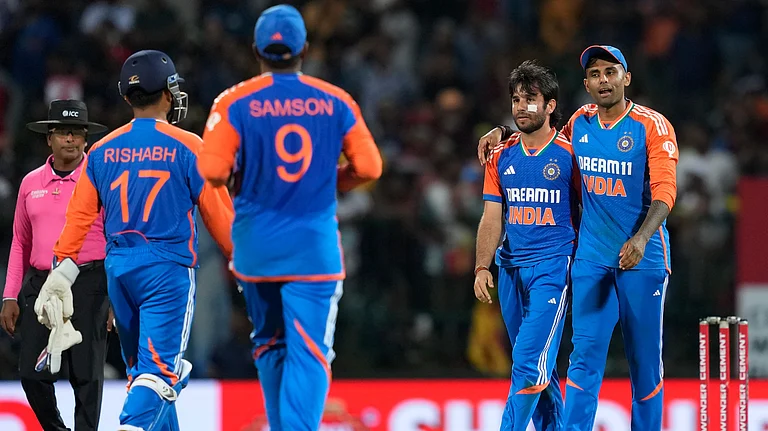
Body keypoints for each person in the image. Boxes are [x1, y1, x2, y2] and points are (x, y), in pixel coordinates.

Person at [197, 5, 382, 431]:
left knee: (269, 345)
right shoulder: (336, 100)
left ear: (256, 50)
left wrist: (247, 178)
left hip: (256, 249)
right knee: (310, 352)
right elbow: (370, 168)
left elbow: (212, 171)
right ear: (305, 49)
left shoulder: (234, 100)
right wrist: (330, 180)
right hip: (313, 251)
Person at [478, 45, 678, 430]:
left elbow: (665, 192)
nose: (603, 80)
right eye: (595, 74)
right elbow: (540, 134)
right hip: (591, 259)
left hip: (644, 259)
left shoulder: (653, 125)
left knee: (645, 367)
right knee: (582, 361)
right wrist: (502, 130)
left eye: (610, 72)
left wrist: (640, 238)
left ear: (626, 78)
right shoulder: (580, 124)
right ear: (586, 84)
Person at [36, 50, 234, 431]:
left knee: (145, 375)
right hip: (166, 268)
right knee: (160, 374)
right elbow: (219, 215)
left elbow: (79, 220)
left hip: (120, 269)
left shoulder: (100, 150)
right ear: (168, 94)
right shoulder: (190, 145)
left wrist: (61, 273)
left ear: (127, 97)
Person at [474, 60, 578, 431]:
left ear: (550, 105)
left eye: (531, 99)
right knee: (539, 368)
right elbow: (491, 216)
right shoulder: (500, 155)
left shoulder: (571, 154)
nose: (521, 106)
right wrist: (482, 266)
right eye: (516, 99)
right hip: (510, 269)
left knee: (528, 360)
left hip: (553, 267)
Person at [1, 99, 110, 431]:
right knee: (31, 376)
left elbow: (119, 240)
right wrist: (9, 296)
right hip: (40, 286)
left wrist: (117, 299)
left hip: (90, 283)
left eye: (77, 132)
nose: (70, 139)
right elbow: (20, 242)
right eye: (63, 132)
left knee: (87, 377)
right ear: (49, 137)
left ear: (86, 138)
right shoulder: (30, 184)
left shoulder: (101, 180)